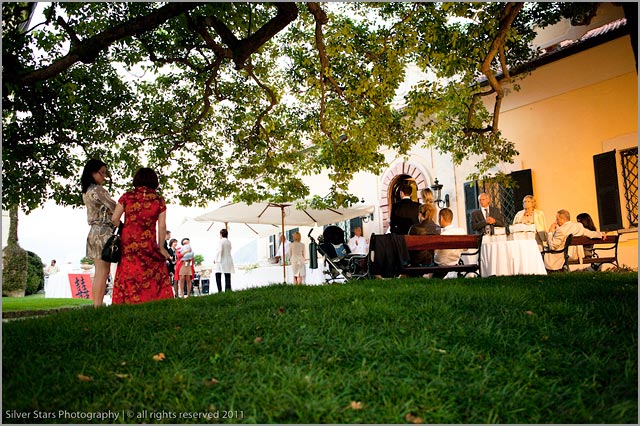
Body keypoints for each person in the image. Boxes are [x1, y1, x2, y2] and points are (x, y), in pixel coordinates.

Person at [111, 167, 173, 304]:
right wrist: (161, 247)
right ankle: (153, 299)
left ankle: (127, 300)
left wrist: (125, 228)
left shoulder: (127, 197)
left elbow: (115, 219)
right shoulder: (158, 200)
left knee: (129, 270)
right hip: (148, 240)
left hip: (128, 240)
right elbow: (162, 226)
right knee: (151, 270)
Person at [81, 159, 117, 308]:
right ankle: (98, 306)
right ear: (93, 172)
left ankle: (96, 305)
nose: (104, 176)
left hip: (93, 232)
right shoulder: (99, 190)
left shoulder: (87, 191)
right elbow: (114, 207)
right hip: (104, 231)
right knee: (103, 272)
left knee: (98, 272)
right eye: (102, 172)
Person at [433, 208, 466, 278]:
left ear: (441, 218)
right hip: (455, 261)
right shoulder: (461, 232)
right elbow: (465, 249)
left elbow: (435, 250)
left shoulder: (443, 235)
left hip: (442, 263)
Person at [408, 203, 441, 267]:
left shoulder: (415, 228)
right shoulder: (437, 228)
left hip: (417, 262)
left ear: (420, 214)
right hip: (431, 261)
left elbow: (409, 247)